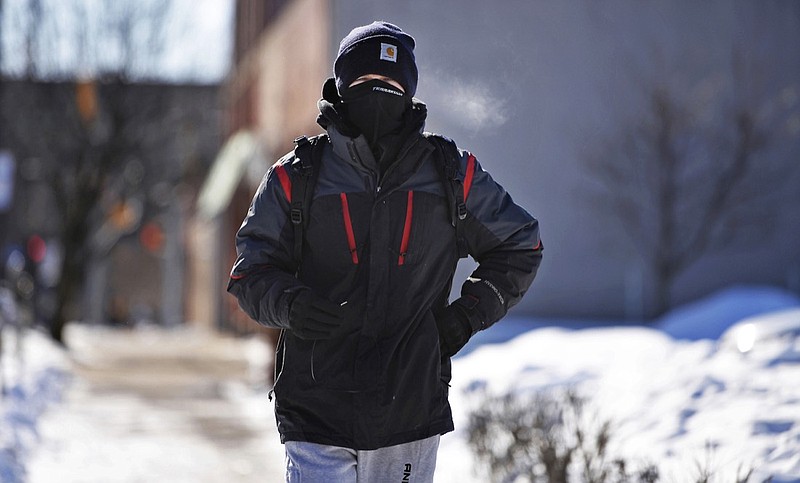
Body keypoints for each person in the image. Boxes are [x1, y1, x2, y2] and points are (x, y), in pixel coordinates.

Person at [227, 21, 542, 482]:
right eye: (364, 82)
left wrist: (467, 315)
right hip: (316, 410)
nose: (379, 93)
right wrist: (288, 303)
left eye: (392, 85)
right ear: (340, 87)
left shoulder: (450, 173)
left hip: (409, 411)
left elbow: (521, 245)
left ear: (410, 93)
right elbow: (248, 272)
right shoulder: (297, 176)